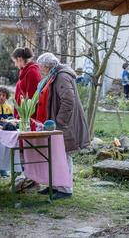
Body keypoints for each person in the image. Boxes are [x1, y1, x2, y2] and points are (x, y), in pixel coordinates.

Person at [36, 52, 90, 200]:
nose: (40, 70)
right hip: (58, 124)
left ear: (47, 66)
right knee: (55, 155)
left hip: (64, 124)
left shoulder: (62, 76)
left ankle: (65, 189)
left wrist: (59, 122)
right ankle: (54, 186)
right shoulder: (55, 75)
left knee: (63, 155)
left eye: (41, 67)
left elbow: (68, 101)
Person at [11, 47, 42, 120]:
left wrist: (25, 117)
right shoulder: (24, 71)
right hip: (21, 116)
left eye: (15, 61)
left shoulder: (32, 72)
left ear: (19, 59)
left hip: (27, 118)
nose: (15, 65)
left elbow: (31, 99)